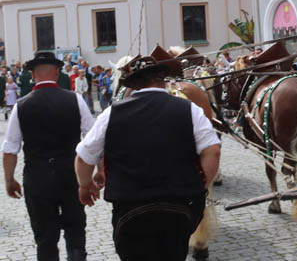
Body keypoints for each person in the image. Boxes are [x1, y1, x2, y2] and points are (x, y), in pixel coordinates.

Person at [74, 55, 221, 261]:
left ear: (133, 84)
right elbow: (213, 150)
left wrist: (84, 185)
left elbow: (83, 156)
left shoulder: (111, 113)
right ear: (162, 80)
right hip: (178, 207)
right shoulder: (190, 110)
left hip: (130, 208)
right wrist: (201, 184)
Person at [1, 52, 94, 261]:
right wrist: (93, 174)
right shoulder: (75, 99)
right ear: (57, 72)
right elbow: (92, 138)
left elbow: (10, 148)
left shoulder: (21, 106)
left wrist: (9, 180)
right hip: (71, 174)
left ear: (33, 75)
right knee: (75, 231)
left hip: (38, 176)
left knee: (45, 237)